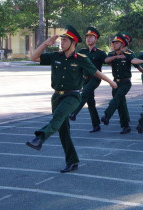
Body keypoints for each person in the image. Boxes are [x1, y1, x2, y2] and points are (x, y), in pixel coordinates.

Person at [26, 25, 117, 173]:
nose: (61, 43)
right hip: (56, 96)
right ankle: (72, 161)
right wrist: (45, 44)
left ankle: (40, 138)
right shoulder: (56, 56)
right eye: (61, 40)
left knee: (59, 116)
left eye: (65, 40)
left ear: (73, 42)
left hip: (73, 96)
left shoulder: (81, 59)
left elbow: (96, 72)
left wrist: (111, 82)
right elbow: (33, 57)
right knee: (63, 131)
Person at [68, 27, 107, 133]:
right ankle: (96, 124)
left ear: (96, 39)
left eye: (91, 37)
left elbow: (108, 61)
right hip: (85, 79)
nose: (88, 39)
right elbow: (77, 65)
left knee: (84, 94)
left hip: (95, 79)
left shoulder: (100, 53)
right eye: (87, 37)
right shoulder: (81, 52)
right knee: (90, 102)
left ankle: (74, 113)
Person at [101, 33, 136, 134]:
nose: (114, 45)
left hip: (125, 82)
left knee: (116, 99)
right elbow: (106, 60)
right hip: (115, 83)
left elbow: (135, 62)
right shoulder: (112, 54)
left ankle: (107, 115)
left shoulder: (129, 54)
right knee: (121, 105)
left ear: (122, 44)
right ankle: (126, 126)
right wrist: (116, 57)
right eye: (114, 43)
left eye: (117, 43)